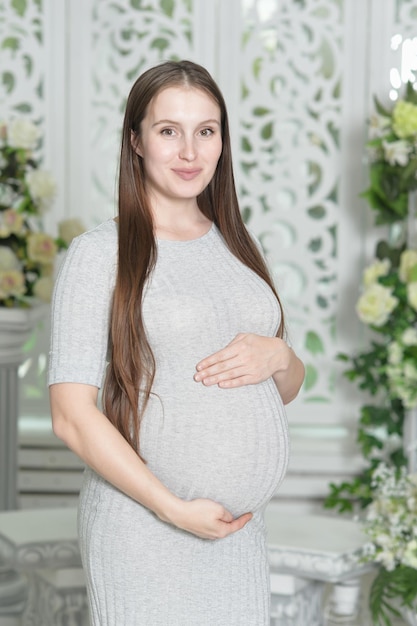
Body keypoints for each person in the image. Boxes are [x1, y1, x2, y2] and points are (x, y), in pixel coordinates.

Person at [48, 59, 305, 626]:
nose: (190, 152)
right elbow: (69, 416)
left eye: (206, 131)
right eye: (169, 131)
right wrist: (173, 509)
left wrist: (282, 357)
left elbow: (273, 390)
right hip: (144, 529)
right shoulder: (100, 255)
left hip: (236, 536)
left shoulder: (237, 246)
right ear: (135, 140)